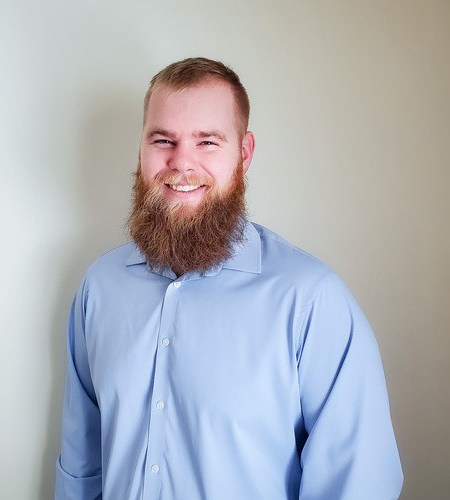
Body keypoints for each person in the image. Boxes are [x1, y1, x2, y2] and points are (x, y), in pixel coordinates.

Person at [55, 57, 403, 499]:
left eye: (207, 142)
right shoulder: (100, 287)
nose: (181, 162)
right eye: (163, 140)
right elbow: (82, 464)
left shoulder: (311, 300)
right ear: (141, 150)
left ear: (244, 153)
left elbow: (357, 484)